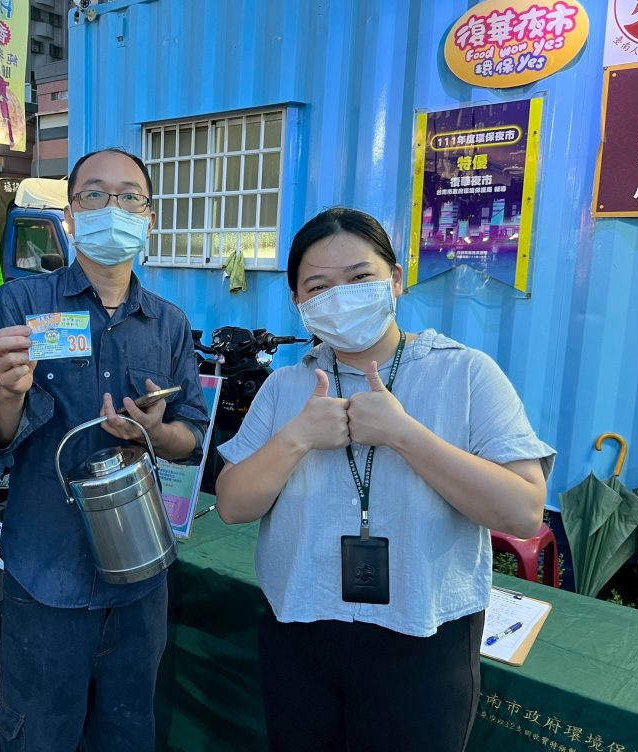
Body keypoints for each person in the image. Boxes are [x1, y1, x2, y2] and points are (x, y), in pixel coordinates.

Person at [215, 207, 556, 752]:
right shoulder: (284, 388)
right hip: (299, 629)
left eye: (359, 277)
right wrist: (296, 438)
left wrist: (405, 434)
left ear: (395, 279)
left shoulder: (466, 372)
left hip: (423, 636)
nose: (341, 296)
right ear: (299, 301)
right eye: (318, 286)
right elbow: (233, 505)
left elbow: (522, 511)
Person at [0, 148, 210, 751]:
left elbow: (192, 436)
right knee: (39, 735)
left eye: (129, 197)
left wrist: (155, 433)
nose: (112, 207)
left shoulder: (169, 323)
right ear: (70, 215)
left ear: (148, 217)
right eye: (94, 194)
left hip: (141, 578)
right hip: (46, 570)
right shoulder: (22, 304)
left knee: (127, 731)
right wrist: (9, 393)